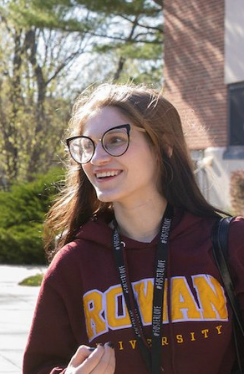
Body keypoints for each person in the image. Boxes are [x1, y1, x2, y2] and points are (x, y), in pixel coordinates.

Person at [23, 83, 244, 374]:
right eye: (87, 146)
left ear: (163, 145)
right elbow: (41, 365)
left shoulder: (231, 243)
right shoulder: (74, 264)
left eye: (115, 140)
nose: (97, 158)